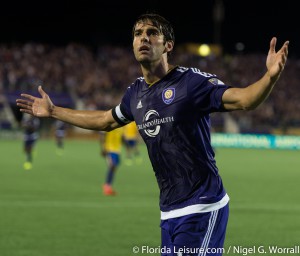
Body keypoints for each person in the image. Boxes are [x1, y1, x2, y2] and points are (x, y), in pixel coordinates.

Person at [16, 13, 289, 256]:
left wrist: (270, 77)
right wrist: (53, 111)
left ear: (167, 45)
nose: (143, 38)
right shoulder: (135, 93)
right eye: (138, 34)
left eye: (152, 33)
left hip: (202, 207)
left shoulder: (191, 83)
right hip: (169, 211)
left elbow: (244, 100)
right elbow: (105, 120)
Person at [99, 127, 124, 196]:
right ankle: (107, 186)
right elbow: (102, 134)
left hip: (117, 150)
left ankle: (109, 186)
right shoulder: (110, 123)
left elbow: (122, 137)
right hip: (109, 149)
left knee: (114, 167)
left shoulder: (121, 125)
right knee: (112, 166)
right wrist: (103, 148)